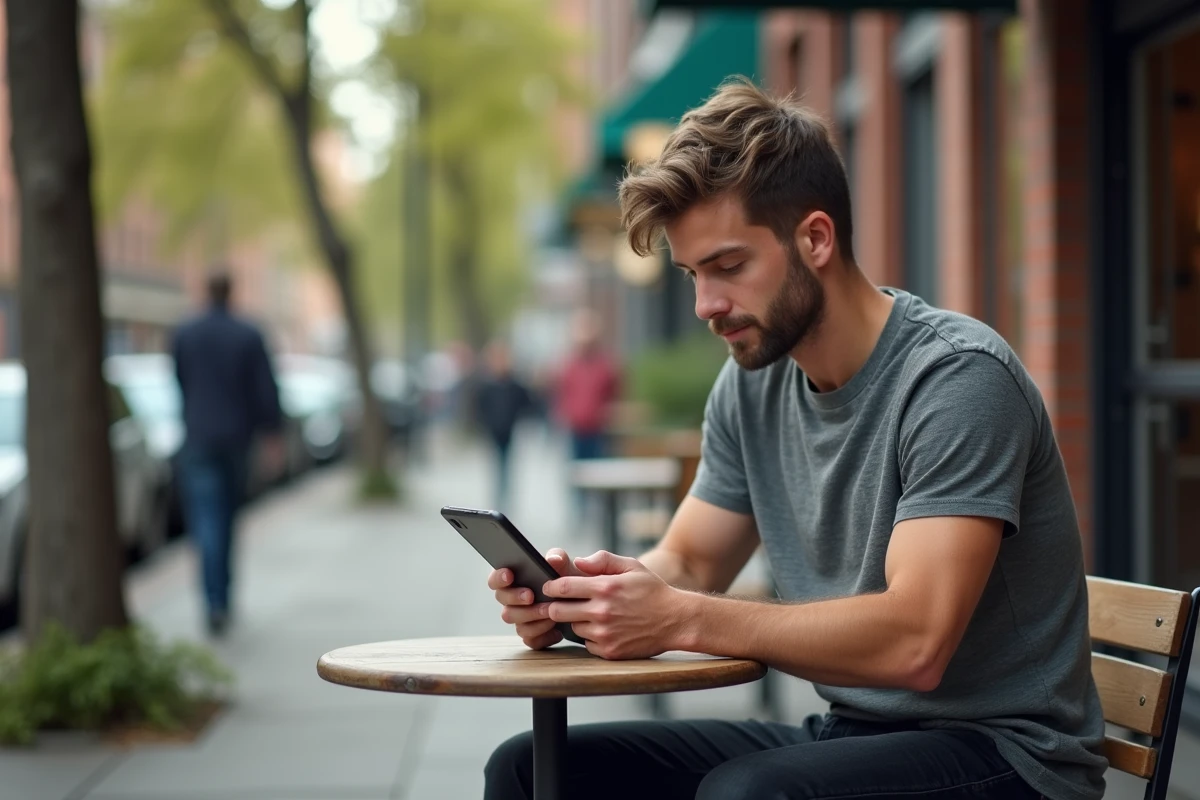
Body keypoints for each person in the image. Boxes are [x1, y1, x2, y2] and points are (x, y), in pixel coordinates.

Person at [483, 79, 1106, 800]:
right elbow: (689, 558)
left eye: (727, 267)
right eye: (692, 274)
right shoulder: (754, 382)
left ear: (815, 238)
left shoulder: (955, 379)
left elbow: (916, 642)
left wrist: (681, 616)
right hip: (854, 734)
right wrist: (589, 600)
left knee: (751, 794)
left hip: (1011, 754)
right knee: (529, 769)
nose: (705, 306)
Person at [172, 272, 284, 637]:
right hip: (236, 439)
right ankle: (222, 598)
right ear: (231, 292)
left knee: (207, 521)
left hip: (199, 437)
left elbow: (180, 380)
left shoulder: (185, 333)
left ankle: (213, 601)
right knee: (226, 520)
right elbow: (265, 389)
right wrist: (273, 435)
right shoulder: (248, 334)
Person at [474, 340, 535, 511]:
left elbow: (527, 404)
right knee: (496, 466)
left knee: (507, 466)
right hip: (493, 431)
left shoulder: (514, 384)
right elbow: (479, 407)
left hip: (509, 430)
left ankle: (506, 499)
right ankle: (498, 500)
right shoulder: (486, 385)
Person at [553, 309, 620, 461]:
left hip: (600, 429)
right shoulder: (568, 365)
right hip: (574, 429)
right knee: (575, 471)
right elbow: (561, 393)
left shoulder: (606, 364)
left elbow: (615, 393)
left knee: (599, 469)